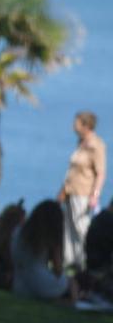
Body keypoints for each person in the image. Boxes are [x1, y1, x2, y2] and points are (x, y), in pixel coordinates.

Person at [58, 111, 106, 270]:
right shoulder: (81, 142)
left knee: (82, 227)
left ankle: (87, 260)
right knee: (68, 227)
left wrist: (95, 195)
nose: (74, 125)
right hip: (70, 191)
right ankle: (71, 261)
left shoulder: (96, 145)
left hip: (83, 193)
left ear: (86, 125)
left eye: (76, 122)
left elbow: (100, 173)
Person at [11, 200, 79, 303]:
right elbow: (58, 270)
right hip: (41, 284)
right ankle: (72, 302)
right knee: (72, 282)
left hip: (19, 286)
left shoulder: (18, 232)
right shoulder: (50, 238)